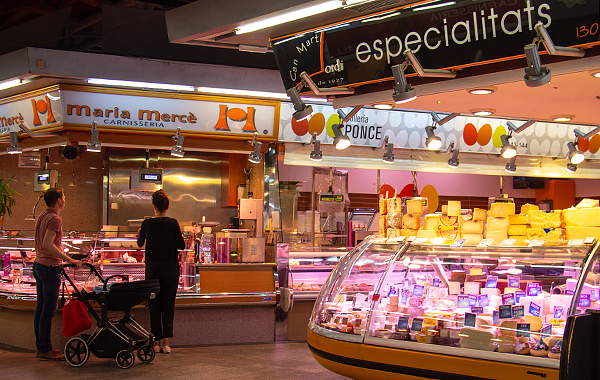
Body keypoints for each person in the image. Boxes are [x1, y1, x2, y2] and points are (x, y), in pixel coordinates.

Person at [33, 187, 81, 360]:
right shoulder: (55, 219)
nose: (65, 199)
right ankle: (46, 349)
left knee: (40, 308)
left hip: (38, 265)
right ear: (59, 200)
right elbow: (48, 243)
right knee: (48, 310)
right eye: (64, 196)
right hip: (49, 267)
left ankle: (40, 347)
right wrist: (70, 260)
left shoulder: (41, 217)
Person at [137, 189, 185, 354]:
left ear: (153, 206)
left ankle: (155, 343)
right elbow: (182, 245)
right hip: (170, 268)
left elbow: (139, 243)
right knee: (168, 305)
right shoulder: (173, 223)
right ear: (167, 206)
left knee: (154, 305)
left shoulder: (146, 223)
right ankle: (166, 344)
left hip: (152, 268)